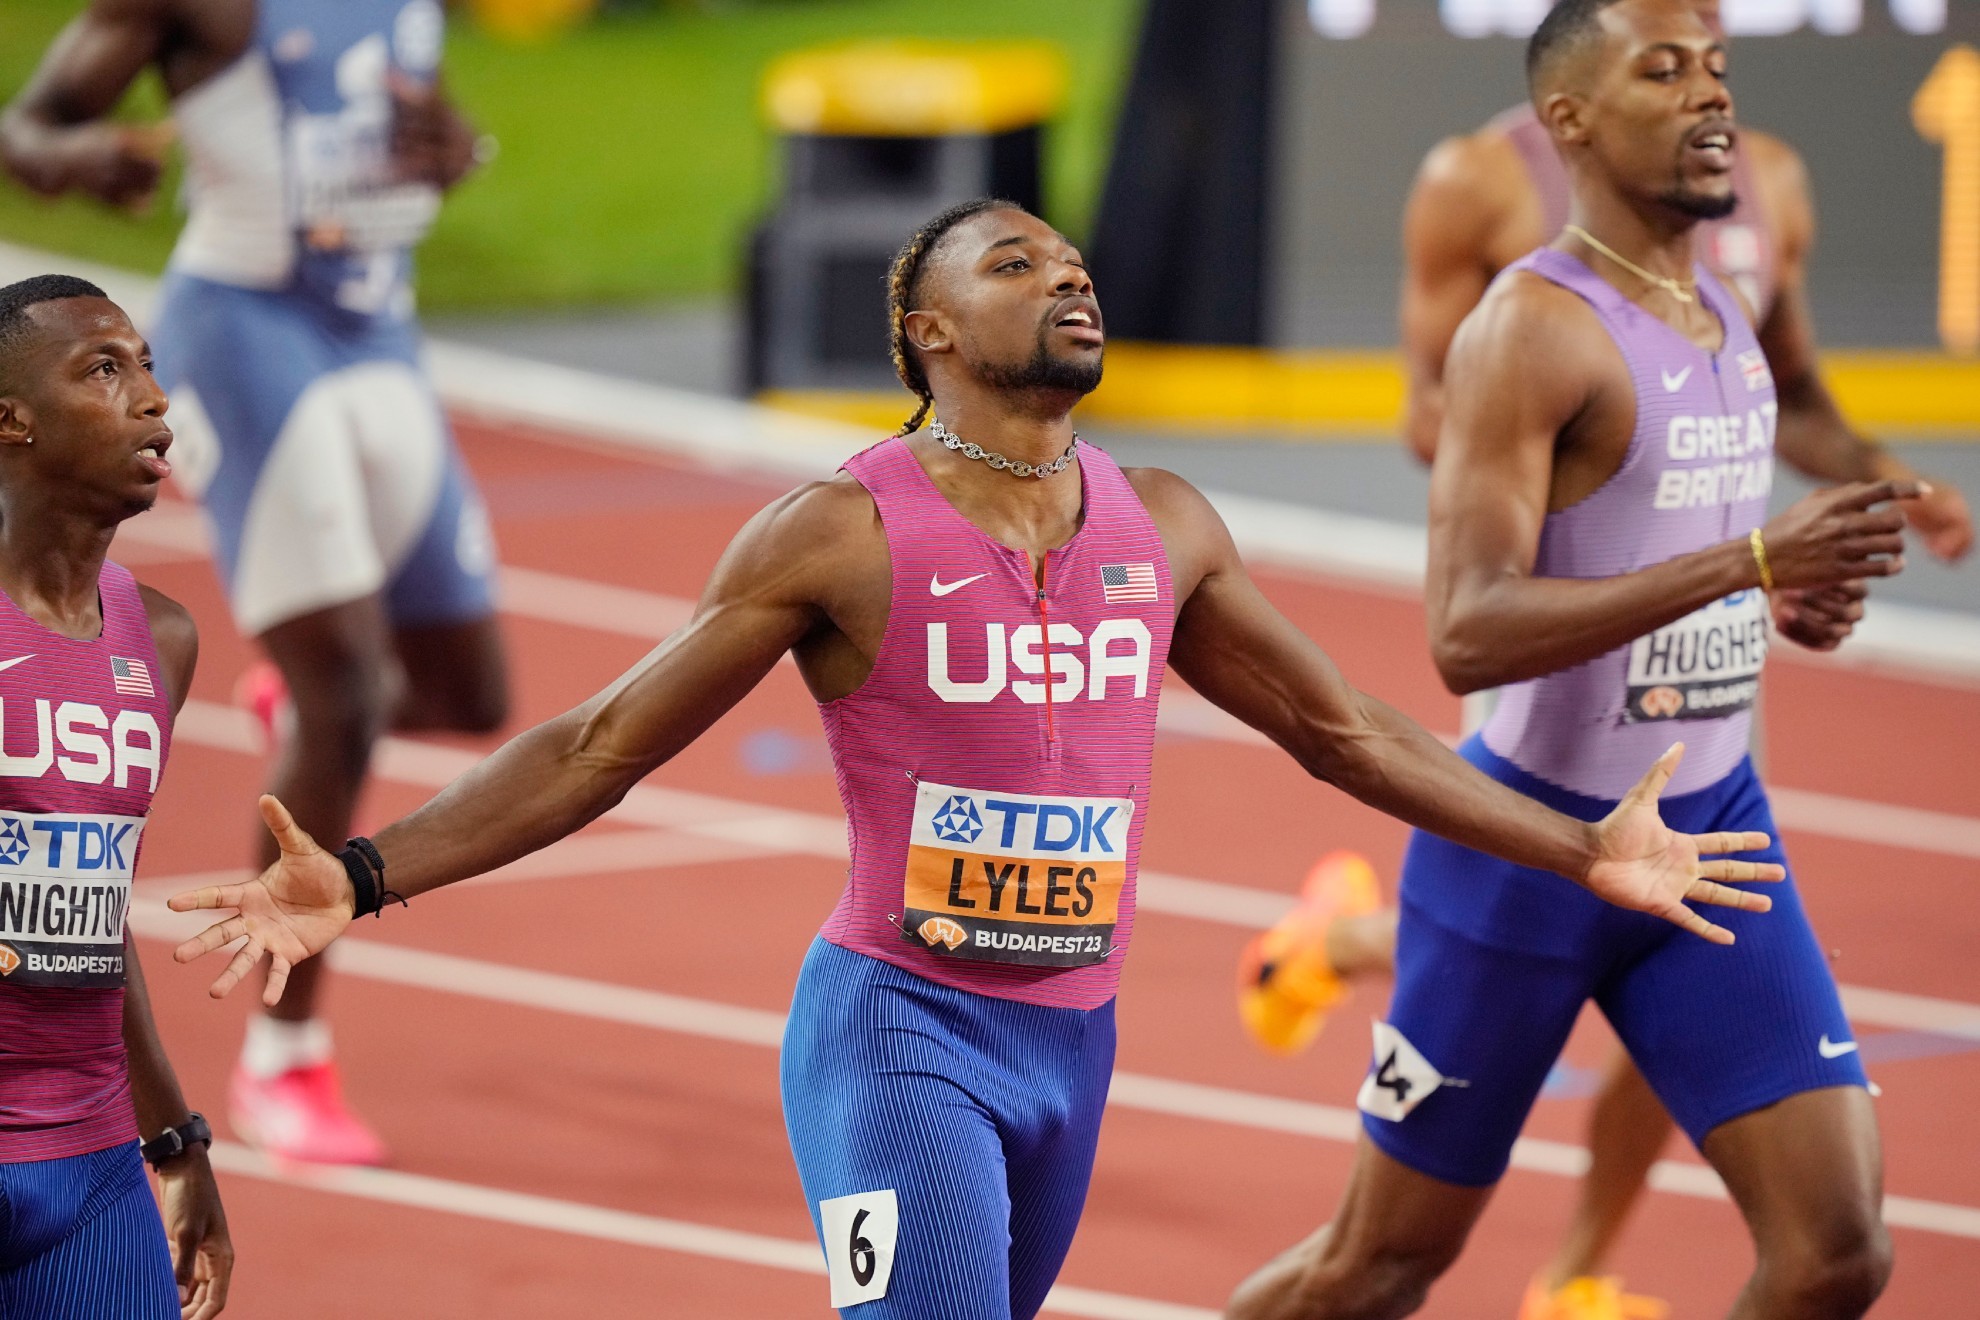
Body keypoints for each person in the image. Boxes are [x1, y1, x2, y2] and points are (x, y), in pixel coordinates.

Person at [165, 199, 1781, 1320]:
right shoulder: (842, 531)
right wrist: (366, 877)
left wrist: (1577, 849)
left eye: (1075, 264)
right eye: (1020, 265)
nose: (1070, 280)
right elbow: (600, 746)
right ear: (929, 329)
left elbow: (1344, 732)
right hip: (901, 1034)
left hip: (1070, 1051)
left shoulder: (1167, 523)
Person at [1240, 1, 1975, 1313]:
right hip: (1531, 849)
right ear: (1569, 116)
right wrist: (1750, 566)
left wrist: (1792, 588)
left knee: (1838, 1252)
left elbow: (1713, 520)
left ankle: (1579, 1268)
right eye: (1664, 71)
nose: (1711, 98)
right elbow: (1465, 635)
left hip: (1710, 834)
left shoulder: (1726, 304)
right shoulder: (1532, 328)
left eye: (1718, 69)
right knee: (1381, 1267)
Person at [0, 0, 510, 1166]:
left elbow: (404, 139)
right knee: (349, 703)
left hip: (379, 333)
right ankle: (284, 1060)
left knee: (471, 695)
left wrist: (455, 153)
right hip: (248, 335)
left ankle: (304, 704)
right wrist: (81, 160)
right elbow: (28, 124)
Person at [0, 274, 232, 1317]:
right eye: (104, 370)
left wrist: (174, 1140)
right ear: (12, 419)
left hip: (90, 1167)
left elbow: (98, 914)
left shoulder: (162, 639)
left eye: (143, 364)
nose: (153, 399)